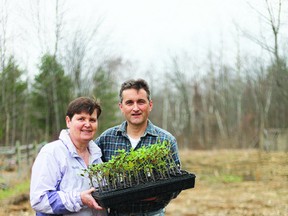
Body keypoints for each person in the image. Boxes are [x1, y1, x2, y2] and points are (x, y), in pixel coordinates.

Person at [95, 79, 181, 216]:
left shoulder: (166, 140)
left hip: (153, 213)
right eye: (129, 102)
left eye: (141, 102)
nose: (135, 108)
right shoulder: (106, 139)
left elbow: (177, 185)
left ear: (150, 105)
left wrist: (155, 195)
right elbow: (91, 170)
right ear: (121, 107)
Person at [30, 97, 107, 216]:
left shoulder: (97, 156)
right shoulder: (52, 153)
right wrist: (79, 199)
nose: (87, 124)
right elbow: (39, 199)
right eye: (81, 119)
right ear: (68, 121)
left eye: (92, 120)